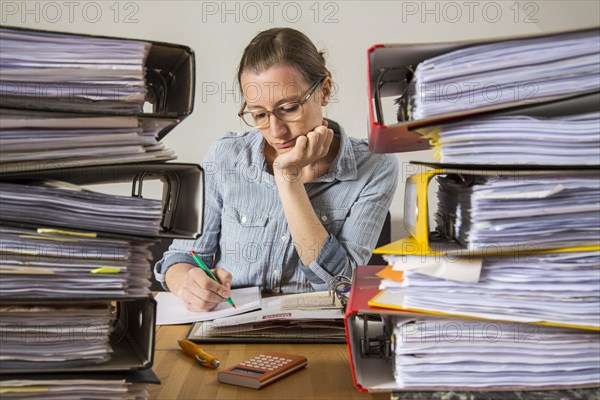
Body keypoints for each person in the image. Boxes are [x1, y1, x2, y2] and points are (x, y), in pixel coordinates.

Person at [154, 27, 398, 311]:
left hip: (321, 333)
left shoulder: (375, 165)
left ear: (325, 90)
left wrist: (289, 180)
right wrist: (187, 280)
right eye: (259, 114)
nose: (276, 131)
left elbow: (341, 285)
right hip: (229, 326)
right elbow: (181, 258)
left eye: (289, 108)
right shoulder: (226, 157)